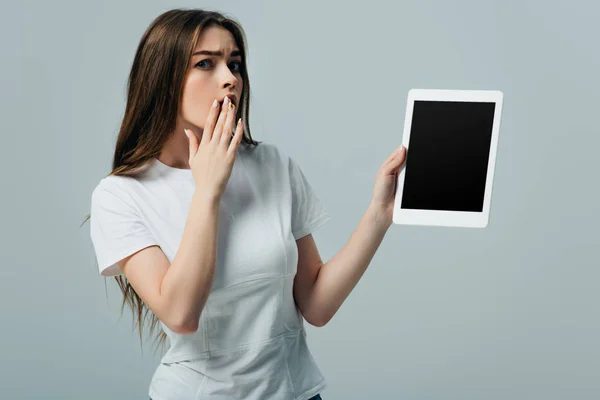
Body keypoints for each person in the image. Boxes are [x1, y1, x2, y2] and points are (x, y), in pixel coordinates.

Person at [84, 8, 407, 400]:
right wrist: (207, 191)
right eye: (205, 63)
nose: (229, 79)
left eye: (234, 63)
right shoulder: (121, 195)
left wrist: (378, 216)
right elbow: (181, 313)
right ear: (162, 78)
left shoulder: (272, 165)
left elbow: (316, 305)